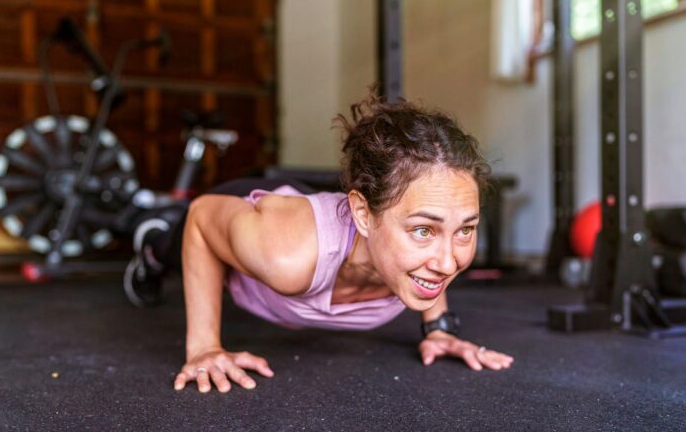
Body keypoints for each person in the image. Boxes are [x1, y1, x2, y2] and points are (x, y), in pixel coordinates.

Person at [132, 95, 515, 393]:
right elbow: (201, 217)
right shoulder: (286, 256)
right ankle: (151, 246)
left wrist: (439, 329)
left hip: (319, 215)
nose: (448, 263)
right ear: (364, 215)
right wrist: (204, 348)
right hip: (255, 212)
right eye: (424, 231)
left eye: (466, 230)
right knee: (170, 244)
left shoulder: (418, 249)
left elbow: (434, 255)